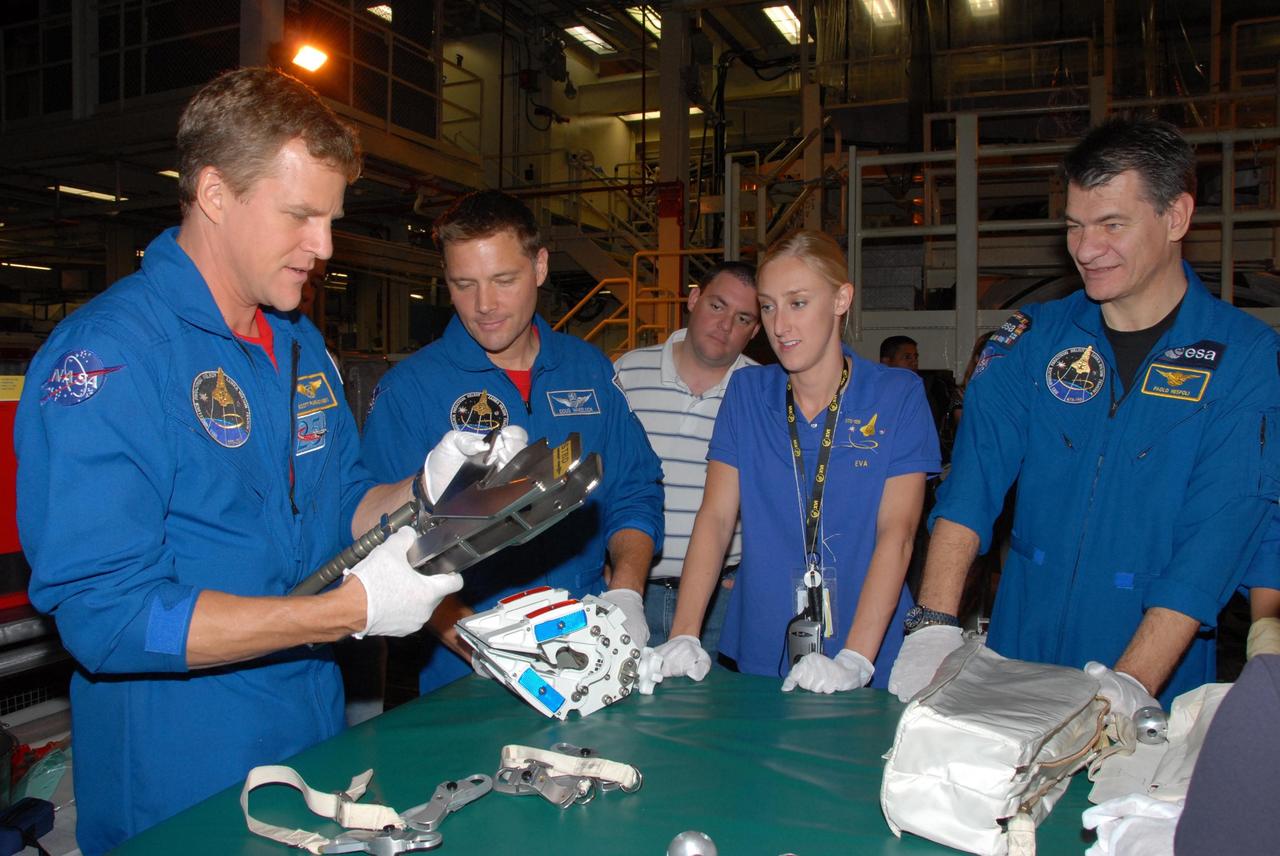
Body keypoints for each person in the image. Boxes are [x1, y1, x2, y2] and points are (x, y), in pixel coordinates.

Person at [13, 68, 481, 853]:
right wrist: (346, 613)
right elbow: (107, 614)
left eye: (330, 219)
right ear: (215, 193)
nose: (324, 247)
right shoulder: (111, 359)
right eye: (301, 215)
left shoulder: (297, 345)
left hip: (307, 741)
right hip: (179, 774)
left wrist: (425, 491)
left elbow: (340, 507)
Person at [888, 118, 1280, 714]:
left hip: (1154, 665)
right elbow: (971, 487)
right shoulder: (1035, 340)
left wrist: (1124, 689)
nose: (1086, 249)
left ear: (1176, 217)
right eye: (1075, 226)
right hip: (1018, 656)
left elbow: (1215, 539)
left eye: (1112, 225)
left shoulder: (1245, 359)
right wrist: (935, 621)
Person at [359, 190, 664, 694]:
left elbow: (635, 489)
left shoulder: (587, 371)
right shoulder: (411, 390)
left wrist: (628, 592)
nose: (485, 306)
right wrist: (467, 635)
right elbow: (383, 540)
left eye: (504, 280)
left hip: (590, 648)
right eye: (464, 284)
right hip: (465, 676)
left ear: (540, 266)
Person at [653, 231, 941, 693]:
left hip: (868, 640)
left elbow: (899, 533)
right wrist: (684, 631)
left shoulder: (895, 395)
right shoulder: (747, 393)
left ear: (841, 298)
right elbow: (716, 516)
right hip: (762, 637)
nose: (780, 326)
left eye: (798, 303)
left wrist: (855, 659)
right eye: (768, 306)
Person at [613, 261, 760, 653]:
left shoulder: (762, 394)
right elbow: (604, 480)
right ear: (693, 299)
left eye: (743, 317)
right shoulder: (627, 373)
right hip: (630, 590)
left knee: (713, 712)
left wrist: (749, 572)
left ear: (755, 331)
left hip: (722, 601)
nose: (725, 325)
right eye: (717, 306)